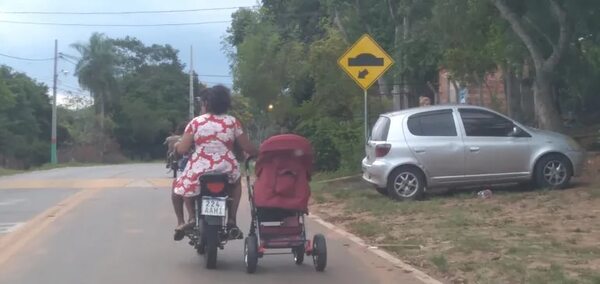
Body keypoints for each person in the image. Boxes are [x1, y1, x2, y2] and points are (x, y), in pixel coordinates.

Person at [171, 85, 258, 241]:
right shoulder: (233, 122)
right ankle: (231, 219)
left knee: (181, 185)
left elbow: (183, 149)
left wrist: (177, 146)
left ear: (206, 103)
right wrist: (260, 152)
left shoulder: (196, 122)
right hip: (226, 167)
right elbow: (247, 147)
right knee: (236, 183)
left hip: (200, 167)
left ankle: (188, 219)